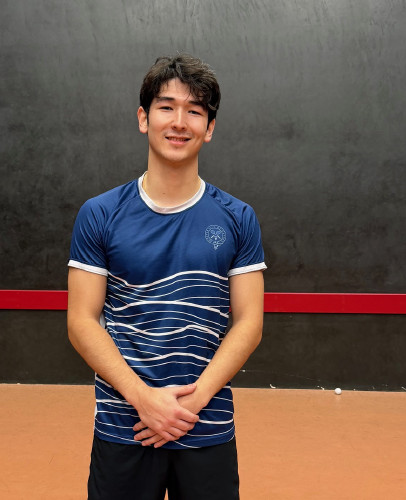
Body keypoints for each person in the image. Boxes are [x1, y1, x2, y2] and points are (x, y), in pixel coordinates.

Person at [67, 53, 266, 500]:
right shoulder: (99, 214)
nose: (179, 122)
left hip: (205, 425)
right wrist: (144, 399)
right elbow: (81, 320)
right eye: (166, 107)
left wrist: (192, 403)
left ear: (209, 128)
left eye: (194, 111)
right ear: (143, 118)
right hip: (125, 426)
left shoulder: (238, 217)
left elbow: (249, 322)